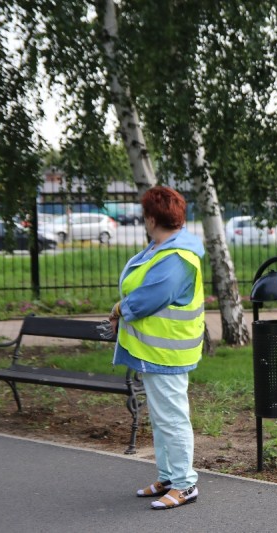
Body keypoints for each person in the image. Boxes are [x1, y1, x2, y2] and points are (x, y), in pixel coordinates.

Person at [108, 186, 205, 510]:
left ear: (151, 218)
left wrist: (120, 309)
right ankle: (169, 477)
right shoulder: (161, 249)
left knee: (172, 418)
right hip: (155, 352)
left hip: (168, 353)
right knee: (163, 418)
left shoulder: (177, 257)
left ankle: (185, 484)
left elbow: (150, 297)